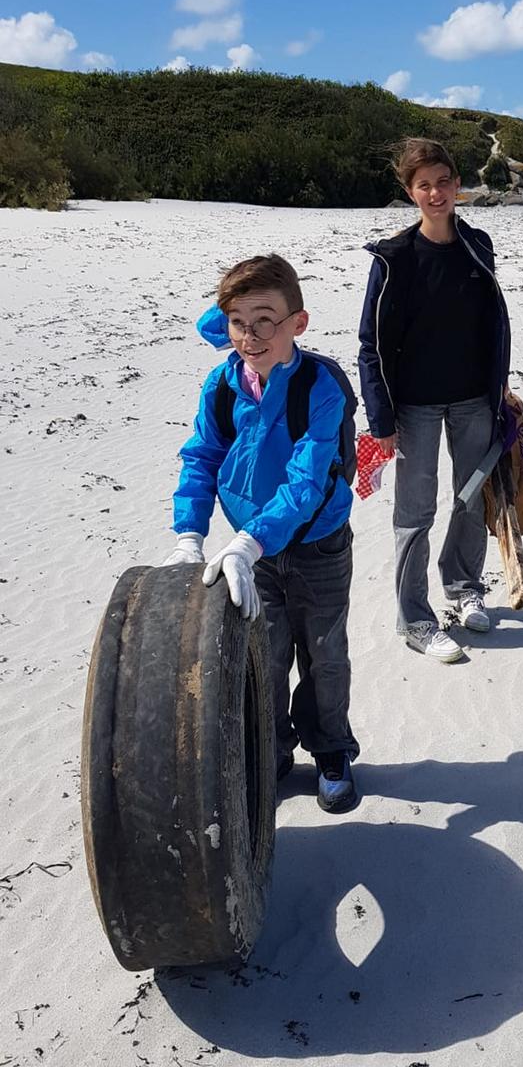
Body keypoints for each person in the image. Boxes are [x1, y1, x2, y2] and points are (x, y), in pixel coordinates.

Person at [163, 253, 359, 812]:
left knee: (325, 657)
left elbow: (307, 481)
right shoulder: (221, 385)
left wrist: (252, 540)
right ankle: (271, 751)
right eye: (238, 323)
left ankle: (331, 751)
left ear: (300, 322)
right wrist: (189, 535)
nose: (251, 337)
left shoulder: (321, 388)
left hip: (317, 545)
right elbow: (201, 457)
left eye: (267, 322)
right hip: (247, 557)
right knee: (265, 658)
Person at [358, 137, 511, 663]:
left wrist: (499, 388)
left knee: (470, 500)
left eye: (444, 181)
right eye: (424, 185)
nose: (436, 193)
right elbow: (371, 344)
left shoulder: (477, 246)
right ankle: (416, 620)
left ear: (457, 184)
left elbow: (492, 324)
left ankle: (465, 587)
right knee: (415, 513)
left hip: (473, 400)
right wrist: (381, 419)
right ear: (411, 192)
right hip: (414, 407)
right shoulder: (394, 258)